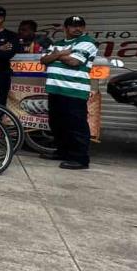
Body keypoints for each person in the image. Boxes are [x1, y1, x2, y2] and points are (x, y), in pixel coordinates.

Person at [40, 16, 98, 170]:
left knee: (76, 125)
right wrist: (63, 53)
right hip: (55, 89)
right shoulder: (58, 44)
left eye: (80, 26)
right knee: (57, 124)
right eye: (73, 26)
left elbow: (75, 62)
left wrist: (57, 55)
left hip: (74, 91)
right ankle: (62, 152)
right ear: (65, 28)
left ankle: (80, 159)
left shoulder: (87, 42)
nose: (77, 29)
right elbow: (44, 60)